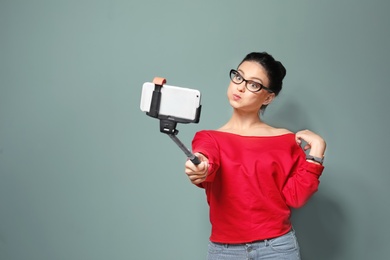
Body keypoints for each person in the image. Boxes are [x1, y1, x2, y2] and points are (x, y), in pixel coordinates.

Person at [184, 52, 326, 260]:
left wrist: (317, 152)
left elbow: (295, 197)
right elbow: (206, 160)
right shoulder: (209, 138)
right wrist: (200, 166)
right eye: (239, 77)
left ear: (268, 97)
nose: (240, 86)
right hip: (225, 251)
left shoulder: (287, 140)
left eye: (254, 84)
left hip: (277, 248)